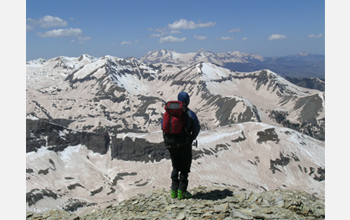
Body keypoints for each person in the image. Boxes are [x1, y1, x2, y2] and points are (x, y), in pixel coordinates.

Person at [165, 92, 200, 199]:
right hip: (184, 144)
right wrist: (191, 139)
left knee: (175, 166)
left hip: (171, 144)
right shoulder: (189, 114)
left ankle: (173, 191)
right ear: (187, 101)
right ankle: (182, 191)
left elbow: (163, 126)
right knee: (184, 168)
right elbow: (196, 128)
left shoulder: (169, 112)